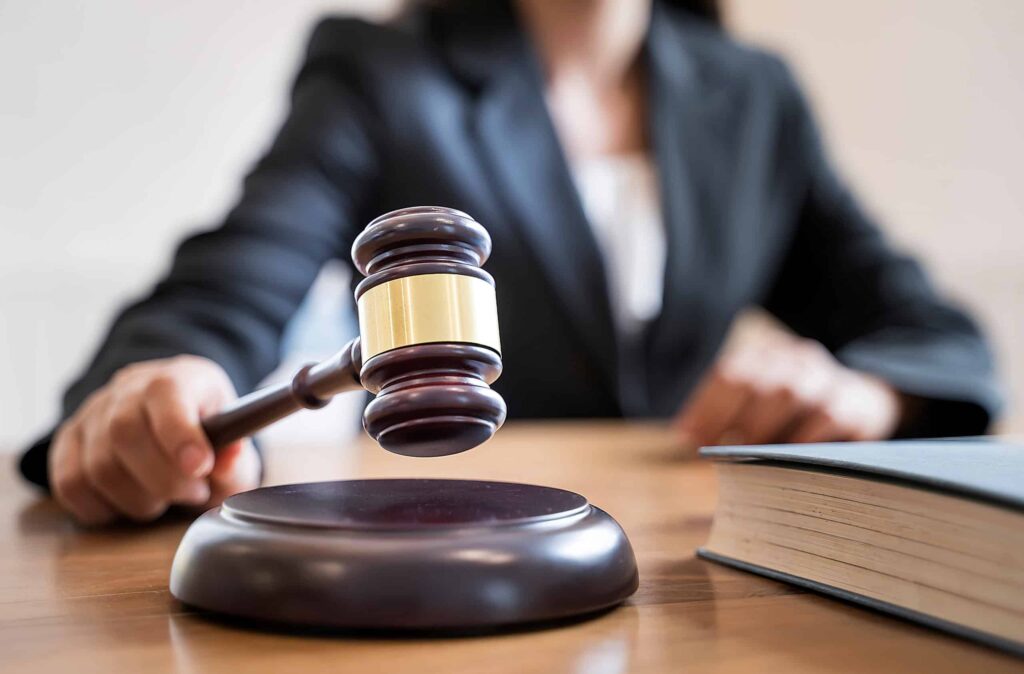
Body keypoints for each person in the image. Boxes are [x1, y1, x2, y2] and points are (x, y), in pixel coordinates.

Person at [20, 0, 1002, 525]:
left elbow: (935, 336)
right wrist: (158, 388)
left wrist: (866, 394)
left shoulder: (752, 97)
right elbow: (220, 291)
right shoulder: (379, 71)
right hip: (459, 542)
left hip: (699, 562)